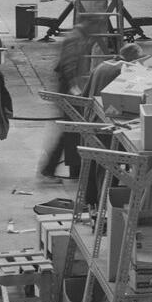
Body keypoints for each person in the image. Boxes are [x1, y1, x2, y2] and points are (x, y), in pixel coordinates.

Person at [37, 14, 107, 179]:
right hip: (68, 89)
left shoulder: (81, 37)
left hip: (70, 88)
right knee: (71, 129)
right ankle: (56, 168)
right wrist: (74, 88)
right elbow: (68, 64)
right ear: (89, 23)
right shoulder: (75, 38)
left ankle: (56, 168)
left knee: (71, 129)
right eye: (96, 26)